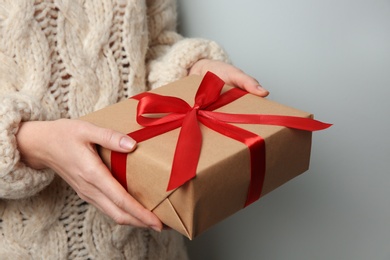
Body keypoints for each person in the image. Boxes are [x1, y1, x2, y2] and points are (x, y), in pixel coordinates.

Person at [0, 0, 269, 259]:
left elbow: (152, 47)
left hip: (150, 242)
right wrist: (32, 143)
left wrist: (192, 71)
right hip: (29, 242)